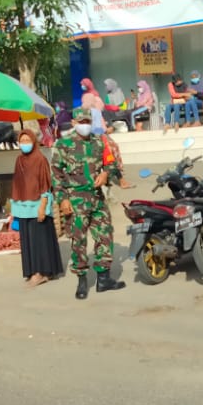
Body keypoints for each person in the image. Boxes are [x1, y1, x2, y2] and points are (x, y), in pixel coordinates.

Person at [52, 109, 127, 300]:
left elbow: (111, 164)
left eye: (87, 120)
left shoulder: (98, 142)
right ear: (74, 122)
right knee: (79, 241)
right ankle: (82, 282)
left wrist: (105, 174)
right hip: (76, 199)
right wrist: (63, 199)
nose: (85, 124)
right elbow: (56, 174)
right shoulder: (63, 144)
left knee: (105, 236)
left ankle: (104, 279)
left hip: (97, 198)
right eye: (81, 121)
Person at [11, 129, 64, 287]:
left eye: (28, 140)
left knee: (39, 240)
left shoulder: (40, 159)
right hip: (23, 207)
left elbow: (45, 185)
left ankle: (41, 272)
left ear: (34, 141)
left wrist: (42, 207)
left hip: (37, 206)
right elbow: (18, 185)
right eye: (22, 141)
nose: (24, 144)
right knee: (28, 241)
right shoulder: (19, 160)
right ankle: (33, 270)